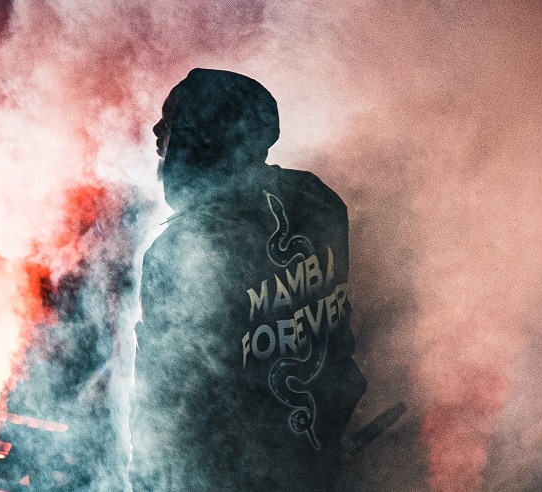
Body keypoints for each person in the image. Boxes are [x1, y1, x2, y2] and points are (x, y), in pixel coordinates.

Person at [130, 69, 366, 491]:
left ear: (201, 139)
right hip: (320, 458)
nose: (157, 130)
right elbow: (336, 331)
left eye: (173, 122)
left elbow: (165, 406)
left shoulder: (183, 249)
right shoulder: (319, 198)